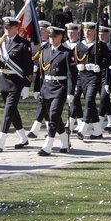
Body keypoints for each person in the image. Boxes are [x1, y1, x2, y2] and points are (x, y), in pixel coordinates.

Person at [33, 26, 77, 155]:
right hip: (47, 87)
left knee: (54, 114)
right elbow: (41, 72)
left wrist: (70, 92)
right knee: (53, 116)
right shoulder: (45, 51)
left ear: (60, 37)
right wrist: (37, 89)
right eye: (50, 36)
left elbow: (71, 74)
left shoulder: (67, 52)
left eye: (54, 36)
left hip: (60, 88)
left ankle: (48, 144)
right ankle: (64, 141)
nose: (51, 39)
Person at [0, 17, 33, 152]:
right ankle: (23, 137)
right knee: (12, 110)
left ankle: (0, 141)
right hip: (3, 80)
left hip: (16, 81)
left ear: (16, 28)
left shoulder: (23, 44)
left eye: (10, 28)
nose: (7, 30)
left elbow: (28, 66)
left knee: (8, 111)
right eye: (5, 28)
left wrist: (27, 85)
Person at [74, 21, 111, 140]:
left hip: (94, 77)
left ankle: (84, 127)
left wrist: (100, 66)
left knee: (89, 99)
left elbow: (110, 59)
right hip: (83, 77)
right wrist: (77, 66)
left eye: (90, 30)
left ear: (94, 32)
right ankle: (97, 131)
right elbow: (75, 60)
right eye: (85, 30)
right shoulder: (79, 46)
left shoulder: (100, 45)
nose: (87, 32)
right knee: (88, 101)